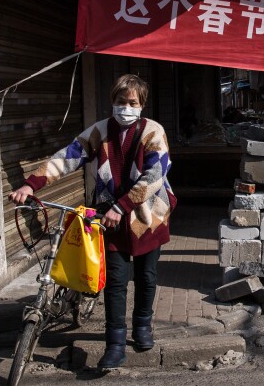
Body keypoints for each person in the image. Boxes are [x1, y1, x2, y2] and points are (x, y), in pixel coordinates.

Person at [9, 74, 176, 370]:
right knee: (114, 282)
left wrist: (123, 205)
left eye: (132, 102)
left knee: (147, 277)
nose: (126, 107)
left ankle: (142, 327)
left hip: (148, 216)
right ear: (112, 101)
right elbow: (68, 156)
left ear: (142, 105)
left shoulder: (154, 131)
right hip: (109, 219)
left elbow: (155, 175)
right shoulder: (100, 131)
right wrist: (31, 184)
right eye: (120, 101)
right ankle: (114, 344)